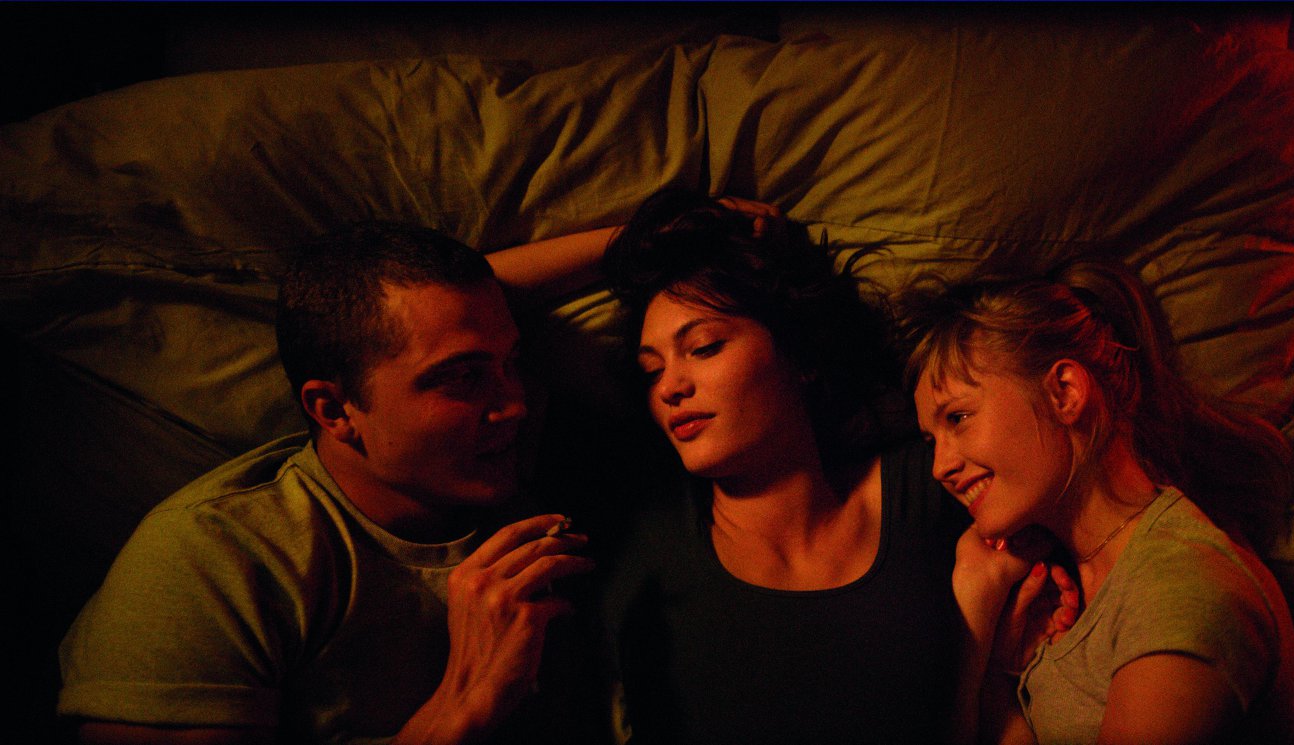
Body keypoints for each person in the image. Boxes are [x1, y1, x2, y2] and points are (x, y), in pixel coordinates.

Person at [57, 221, 617, 745]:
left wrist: (635, 237)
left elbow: (453, 309)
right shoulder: (219, 557)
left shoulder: (531, 464)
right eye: (464, 378)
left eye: (512, 362)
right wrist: (459, 708)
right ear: (334, 409)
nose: (515, 404)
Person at [595, 188, 978, 745]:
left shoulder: (932, 482)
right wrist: (645, 238)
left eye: (704, 347)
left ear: (800, 355)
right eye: (651, 371)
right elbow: (469, 306)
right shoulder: (637, 534)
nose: (671, 386)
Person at [898, 261, 1294, 744]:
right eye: (930, 440)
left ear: (1065, 392)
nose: (939, 467)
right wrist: (990, 657)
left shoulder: (1180, 589)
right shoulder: (1060, 588)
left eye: (958, 418)